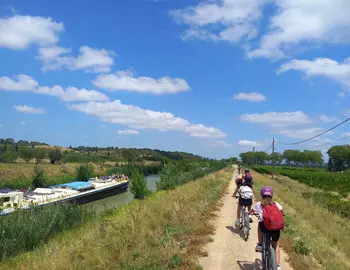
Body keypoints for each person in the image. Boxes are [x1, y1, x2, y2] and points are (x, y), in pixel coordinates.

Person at [250, 186, 284, 270]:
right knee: (276, 245)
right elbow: (282, 212)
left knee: (260, 223)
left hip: (265, 228)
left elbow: (252, 211)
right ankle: (278, 266)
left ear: (261, 195)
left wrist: (251, 213)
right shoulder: (276, 204)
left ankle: (260, 243)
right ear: (272, 195)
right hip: (276, 230)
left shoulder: (258, 204)